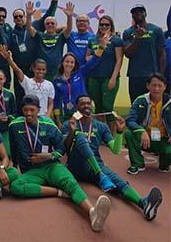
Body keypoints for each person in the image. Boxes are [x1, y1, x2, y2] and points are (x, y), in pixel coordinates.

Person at [8, 95, 111, 232]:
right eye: (25, 110)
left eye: (32, 110)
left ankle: (93, 212)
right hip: (32, 172)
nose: (28, 114)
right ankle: (59, 192)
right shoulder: (14, 126)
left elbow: (61, 149)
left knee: (71, 182)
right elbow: (14, 147)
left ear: (39, 110)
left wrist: (49, 156)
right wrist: (15, 165)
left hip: (52, 166)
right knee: (15, 187)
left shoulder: (50, 125)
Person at [63, 95, 163, 221]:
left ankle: (143, 204)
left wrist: (120, 132)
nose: (86, 106)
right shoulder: (70, 124)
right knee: (80, 137)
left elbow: (116, 150)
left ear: (92, 106)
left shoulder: (101, 126)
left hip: (96, 165)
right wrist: (72, 132)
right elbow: (65, 148)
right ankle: (101, 177)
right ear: (77, 107)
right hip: (76, 165)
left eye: (89, 103)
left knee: (118, 181)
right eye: (82, 104)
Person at [8, 0, 62, 103]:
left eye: (20, 16)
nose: (18, 18)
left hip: (34, 69)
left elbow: (49, 16)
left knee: (35, 96)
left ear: (24, 16)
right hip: (19, 69)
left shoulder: (35, 25)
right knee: (19, 95)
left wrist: (54, 2)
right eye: (16, 17)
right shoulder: (11, 34)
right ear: (13, 19)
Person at [124, 73, 170, 174]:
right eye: (154, 85)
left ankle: (165, 164)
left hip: (164, 139)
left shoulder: (169, 102)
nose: (156, 89)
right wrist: (141, 131)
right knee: (129, 134)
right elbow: (130, 119)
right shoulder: (140, 100)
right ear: (147, 86)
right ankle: (137, 164)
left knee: (168, 152)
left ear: (165, 87)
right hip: (145, 138)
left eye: (160, 85)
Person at [86, 15, 123, 134]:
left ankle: (111, 135)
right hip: (94, 78)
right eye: (101, 24)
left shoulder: (116, 40)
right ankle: (101, 134)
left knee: (107, 107)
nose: (104, 27)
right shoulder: (92, 39)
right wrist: (89, 58)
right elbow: (87, 56)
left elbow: (119, 60)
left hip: (109, 77)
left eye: (107, 24)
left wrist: (113, 78)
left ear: (111, 26)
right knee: (98, 107)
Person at [53, 45, 106, 127]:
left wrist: (101, 48)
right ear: (62, 62)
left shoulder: (80, 73)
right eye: (67, 61)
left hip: (81, 111)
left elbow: (93, 61)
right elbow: (56, 101)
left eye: (72, 62)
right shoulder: (57, 80)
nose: (69, 64)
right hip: (65, 114)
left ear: (75, 64)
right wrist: (58, 120)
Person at [123, 4, 166, 102]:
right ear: (132, 15)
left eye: (140, 11)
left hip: (152, 75)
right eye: (135, 12)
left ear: (145, 13)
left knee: (153, 104)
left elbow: (162, 54)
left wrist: (160, 75)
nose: (138, 14)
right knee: (136, 103)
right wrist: (137, 38)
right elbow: (128, 54)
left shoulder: (156, 30)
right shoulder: (128, 32)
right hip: (135, 75)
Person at [0, 46, 54, 118]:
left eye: (43, 70)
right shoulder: (28, 82)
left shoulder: (49, 84)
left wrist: (47, 116)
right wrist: (9, 60)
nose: (40, 71)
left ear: (46, 70)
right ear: (33, 69)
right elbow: (17, 70)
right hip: (30, 117)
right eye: (38, 69)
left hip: (44, 117)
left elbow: (50, 103)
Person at [25, 1, 74, 80]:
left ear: (56, 25)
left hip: (56, 73)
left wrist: (69, 16)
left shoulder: (60, 37)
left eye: (52, 23)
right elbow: (29, 28)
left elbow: (69, 28)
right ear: (45, 26)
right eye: (47, 23)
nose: (50, 25)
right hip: (41, 73)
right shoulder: (39, 36)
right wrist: (28, 15)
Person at [0, 6, 12, 89]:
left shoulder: (8, 28)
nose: (1, 18)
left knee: (6, 85)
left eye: (3, 16)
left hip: (5, 63)